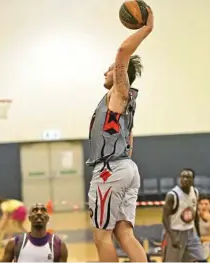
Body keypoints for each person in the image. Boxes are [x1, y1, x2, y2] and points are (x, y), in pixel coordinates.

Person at [86, 7, 154, 263]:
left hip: (110, 169)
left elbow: (122, 53)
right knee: (124, 233)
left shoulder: (119, 93)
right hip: (126, 167)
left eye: (110, 70)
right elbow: (130, 138)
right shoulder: (123, 103)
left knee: (101, 236)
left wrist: (146, 29)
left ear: (119, 73)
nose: (106, 72)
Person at [161, 168, 206, 262]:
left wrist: (198, 234)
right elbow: (164, 218)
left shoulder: (195, 192)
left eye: (188, 177)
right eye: (183, 177)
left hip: (190, 231)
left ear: (193, 180)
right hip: (175, 232)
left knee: (202, 258)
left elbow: (195, 215)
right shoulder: (172, 195)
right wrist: (173, 237)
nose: (185, 179)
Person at [0, 203, 68, 262]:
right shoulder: (14, 243)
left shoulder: (59, 245)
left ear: (47, 218)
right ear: (29, 218)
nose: (39, 213)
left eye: (43, 211)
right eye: (35, 211)